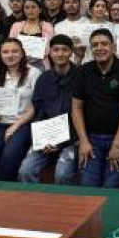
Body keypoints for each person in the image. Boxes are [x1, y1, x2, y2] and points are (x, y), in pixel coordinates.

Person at [72, 29, 119, 188]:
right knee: (87, 187)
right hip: (91, 139)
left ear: (113, 47)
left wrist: (117, 144)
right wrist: (83, 141)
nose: (99, 48)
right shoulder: (83, 71)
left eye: (104, 44)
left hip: (118, 139)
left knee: (111, 187)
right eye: (95, 45)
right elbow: (76, 108)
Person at [0, 38, 41, 181]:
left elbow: (37, 104)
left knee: (9, 156)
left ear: (22, 53)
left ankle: (5, 191)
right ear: (0, 55)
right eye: (5, 52)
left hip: (24, 124)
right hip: (1, 123)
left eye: (14, 51)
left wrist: (16, 125)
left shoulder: (33, 73)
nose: (10, 55)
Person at [19, 35, 79, 184]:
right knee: (26, 170)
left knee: (62, 174)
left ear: (71, 52)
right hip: (46, 135)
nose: (60, 54)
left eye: (65, 50)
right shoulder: (43, 78)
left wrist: (64, 141)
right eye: (56, 50)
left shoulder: (81, 76)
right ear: (50, 52)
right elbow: (38, 109)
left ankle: (63, 200)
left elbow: (84, 113)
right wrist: (41, 139)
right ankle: (34, 199)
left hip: (73, 137)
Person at [9, 0, 55, 68]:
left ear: (40, 10)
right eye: (27, 8)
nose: (30, 10)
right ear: (24, 10)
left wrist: (33, 56)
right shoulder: (16, 26)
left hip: (41, 64)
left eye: (33, 7)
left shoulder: (47, 26)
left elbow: (50, 47)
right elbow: (11, 45)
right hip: (20, 64)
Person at [54, 0, 89, 64]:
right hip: (64, 66)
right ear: (63, 6)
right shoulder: (58, 27)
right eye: (67, 2)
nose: (71, 5)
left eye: (74, 2)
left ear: (80, 4)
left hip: (86, 65)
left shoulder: (89, 24)